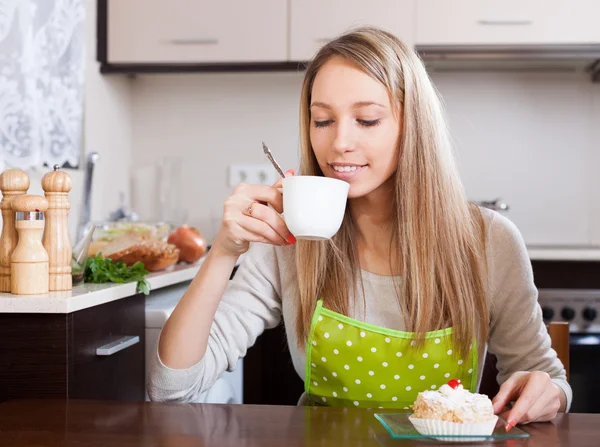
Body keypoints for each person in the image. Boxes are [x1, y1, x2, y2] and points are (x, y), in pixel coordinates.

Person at [148, 27, 571, 430]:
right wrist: (224, 251)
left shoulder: (489, 241)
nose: (339, 143)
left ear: (412, 128)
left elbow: (547, 380)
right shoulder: (288, 241)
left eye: (366, 120)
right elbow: (171, 389)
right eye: (322, 120)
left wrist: (547, 391)